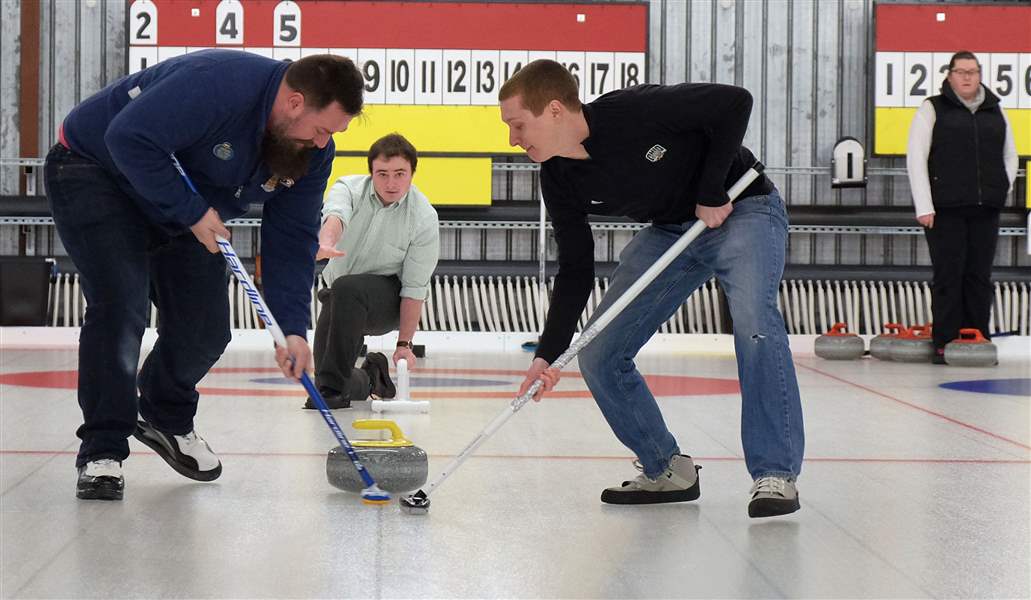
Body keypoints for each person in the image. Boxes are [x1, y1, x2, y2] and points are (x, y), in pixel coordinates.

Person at [44, 50, 364, 500]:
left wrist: (292, 330)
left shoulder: (311, 153)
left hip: (184, 204)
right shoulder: (217, 83)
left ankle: (162, 413)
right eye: (322, 128)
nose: (322, 142)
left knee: (206, 328)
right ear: (294, 102)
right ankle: (103, 450)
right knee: (121, 306)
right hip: (96, 170)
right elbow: (129, 137)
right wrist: (192, 211)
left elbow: (291, 240)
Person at [499, 59, 804, 518]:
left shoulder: (633, 111)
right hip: (672, 232)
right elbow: (576, 267)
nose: (513, 139)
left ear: (555, 110)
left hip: (742, 208)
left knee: (755, 323)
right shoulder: (557, 175)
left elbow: (733, 103)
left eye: (518, 125)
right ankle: (667, 469)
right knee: (599, 353)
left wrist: (710, 191)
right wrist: (548, 353)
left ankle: (775, 472)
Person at [304, 133, 440, 410]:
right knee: (330, 375)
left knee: (348, 288)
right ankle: (370, 377)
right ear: (371, 173)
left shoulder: (424, 217)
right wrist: (326, 241)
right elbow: (336, 214)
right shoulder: (348, 188)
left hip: (387, 299)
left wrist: (405, 344)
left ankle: (330, 395)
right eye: (383, 174)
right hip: (339, 296)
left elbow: (415, 288)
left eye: (400, 173)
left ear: (413, 173)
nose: (391, 183)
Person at [906, 51, 1018, 364]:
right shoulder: (932, 108)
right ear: (950, 75)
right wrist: (924, 205)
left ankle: (976, 340)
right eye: (961, 71)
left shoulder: (996, 110)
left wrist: (999, 188)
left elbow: (1010, 156)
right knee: (949, 276)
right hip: (944, 210)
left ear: (980, 74)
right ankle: (945, 344)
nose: (967, 77)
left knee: (979, 276)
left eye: (972, 71)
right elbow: (916, 157)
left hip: (986, 209)